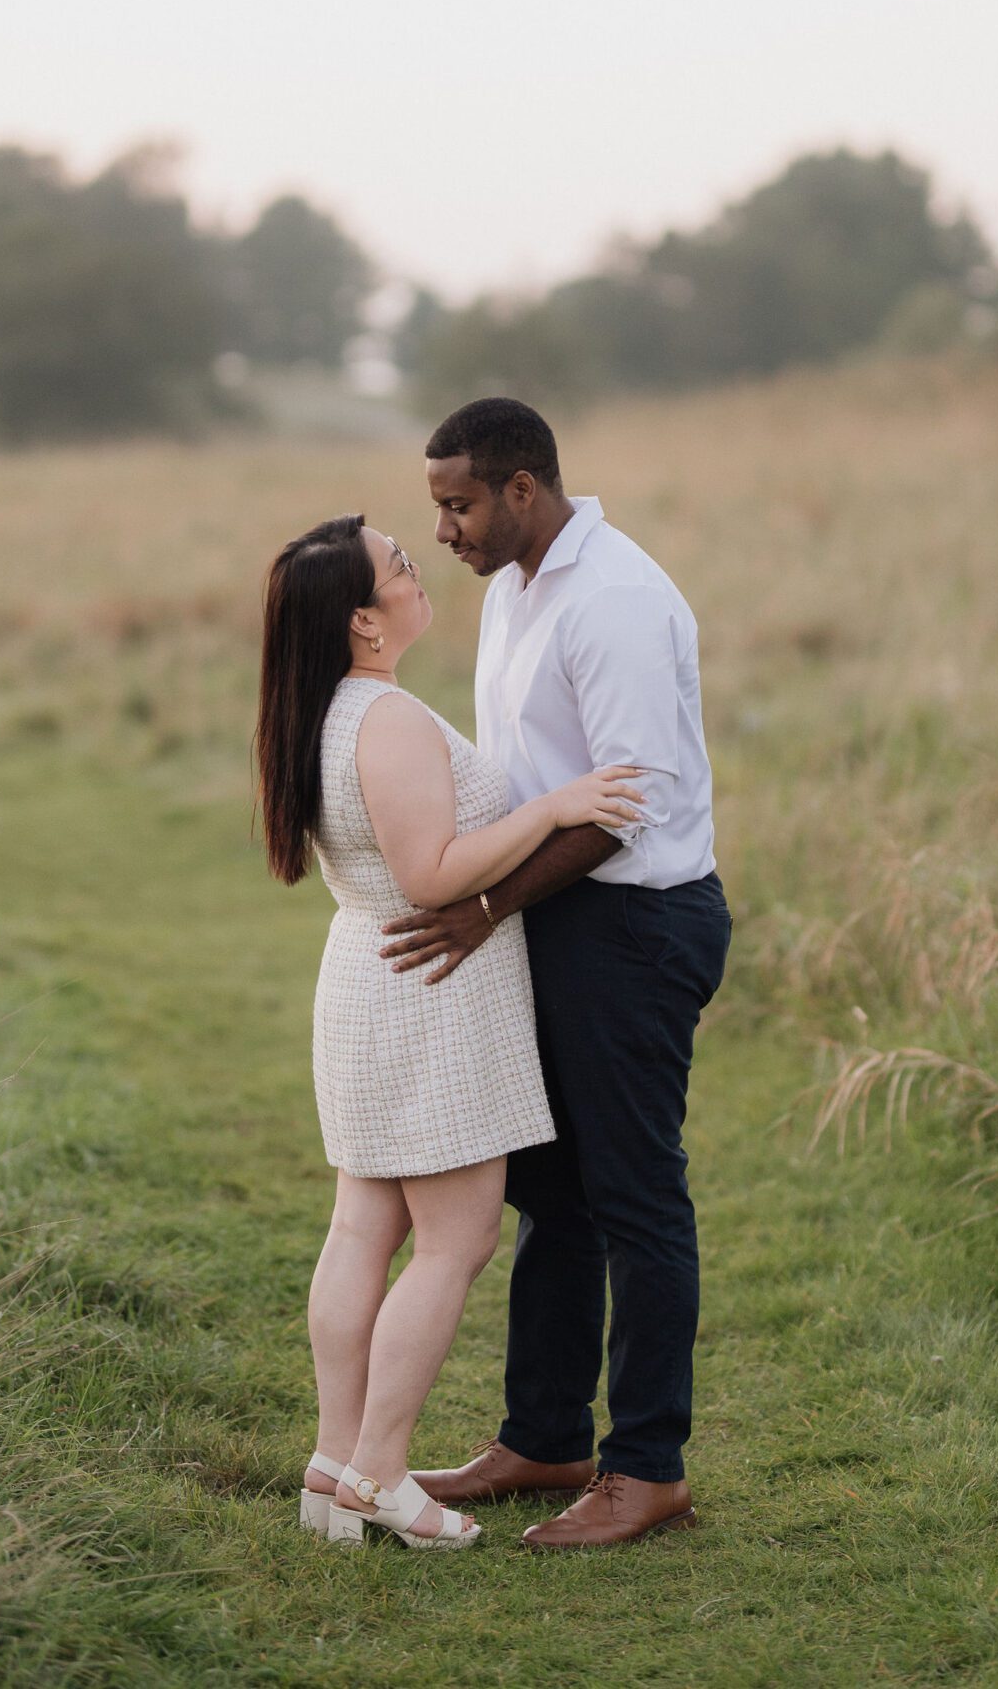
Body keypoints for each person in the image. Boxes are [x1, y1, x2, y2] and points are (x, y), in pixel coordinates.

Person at [254, 511, 644, 1550]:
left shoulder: (325, 712)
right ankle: (381, 1472)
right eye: (399, 567)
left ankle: (335, 1468)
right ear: (362, 624)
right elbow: (430, 874)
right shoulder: (382, 722)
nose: (418, 569)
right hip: (426, 987)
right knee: (455, 1236)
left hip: (371, 978)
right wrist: (555, 807)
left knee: (362, 1229)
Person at [383, 398, 730, 1551]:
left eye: (458, 504)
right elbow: (530, 774)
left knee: (634, 1197)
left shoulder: (616, 600)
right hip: (558, 918)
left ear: (521, 489)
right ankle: (543, 1439)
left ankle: (649, 1470)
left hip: (634, 925)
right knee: (553, 1194)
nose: (444, 530)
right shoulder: (516, 586)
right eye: (437, 506)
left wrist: (483, 907)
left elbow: (628, 807)